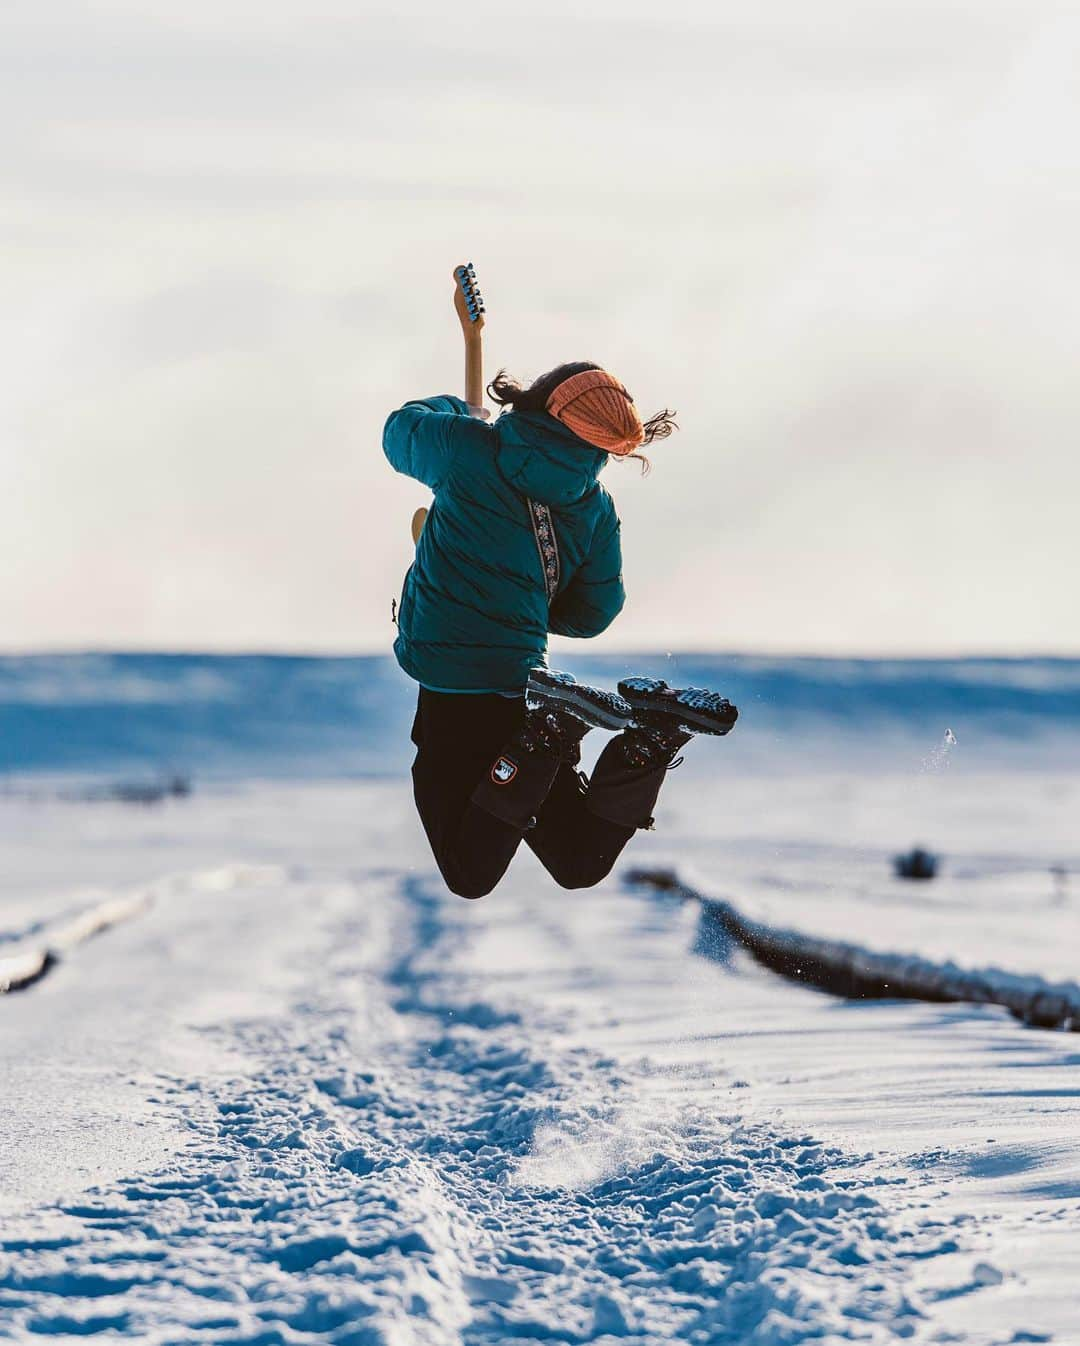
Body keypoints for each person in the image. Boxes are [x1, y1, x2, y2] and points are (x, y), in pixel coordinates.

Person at [384, 362, 737, 899]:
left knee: (469, 872)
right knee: (578, 861)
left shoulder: (466, 448)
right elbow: (595, 611)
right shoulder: (593, 506)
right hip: (522, 684)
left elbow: (399, 431)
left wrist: (459, 413)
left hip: (455, 692)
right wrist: (523, 604)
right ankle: (650, 739)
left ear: (538, 398)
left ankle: (550, 734)